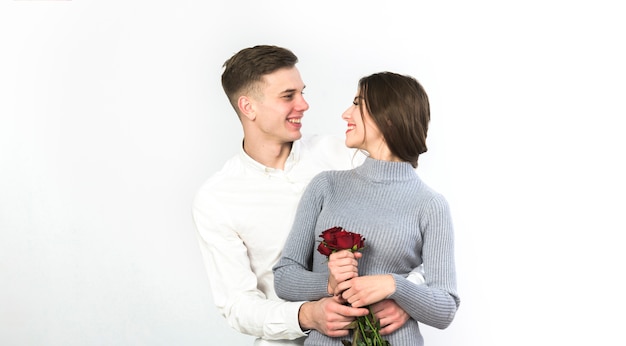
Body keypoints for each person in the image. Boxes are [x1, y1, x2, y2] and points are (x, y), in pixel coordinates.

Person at [192, 46, 422, 346]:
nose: (304, 105)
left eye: (302, 92)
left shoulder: (345, 154)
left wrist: (406, 296)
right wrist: (305, 316)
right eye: (288, 96)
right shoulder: (217, 199)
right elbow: (237, 305)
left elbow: (425, 237)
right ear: (248, 107)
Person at [273, 71, 460, 345]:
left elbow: (445, 307)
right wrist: (328, 284)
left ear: (388, 117)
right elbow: (284, 277)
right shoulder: (326, 186)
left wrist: (394, 286)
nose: (346, 114)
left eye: (358, 103)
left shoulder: (430, 205)